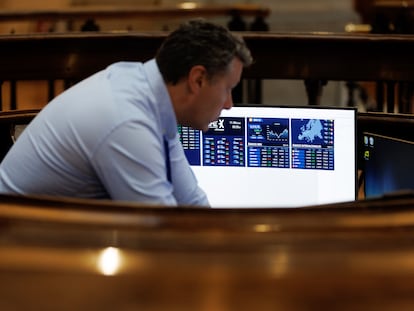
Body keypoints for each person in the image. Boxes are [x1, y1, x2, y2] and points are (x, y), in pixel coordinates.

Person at [0, 19, 253, 207]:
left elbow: (190, 200)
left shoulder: (149, 92)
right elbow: (162, 233)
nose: (230, 103)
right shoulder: (127, 121)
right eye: (228, 89)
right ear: (197, 79)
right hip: (17, 250)